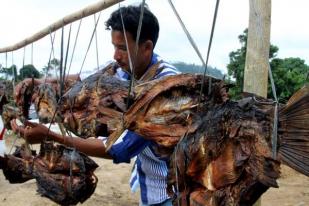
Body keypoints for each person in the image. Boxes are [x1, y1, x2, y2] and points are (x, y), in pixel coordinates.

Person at [11, 4, 180, 206]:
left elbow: (121, 148)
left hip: (172, 190)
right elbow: (86, 76)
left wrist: (51, 135)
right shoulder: (126, 68)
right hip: (148, 179)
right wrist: (39, 82)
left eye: (123, 48)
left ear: (147, 47)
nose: (115, 55)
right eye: (114, 46)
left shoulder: (165, 88)